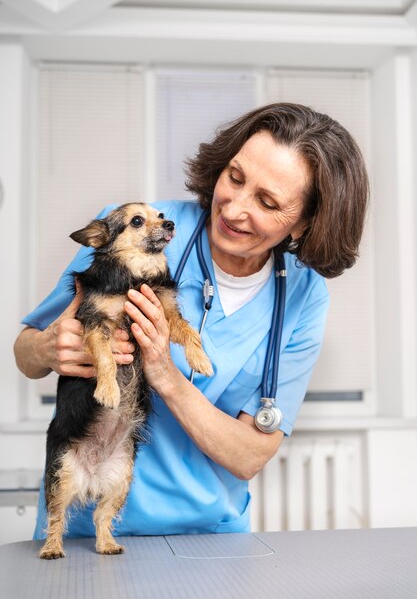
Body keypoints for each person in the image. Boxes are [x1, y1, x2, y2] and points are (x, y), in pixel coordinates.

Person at [14, 103, 369, 538]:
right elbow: (26, 355)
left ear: (305, 223)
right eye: (235, 178)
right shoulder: (132, 230)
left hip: (210, 537)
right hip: (86, 529)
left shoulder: (304, 297)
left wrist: (166, 373)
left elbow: (249, 456)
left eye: (267, 201)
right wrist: (47, 347)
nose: (233, 208)